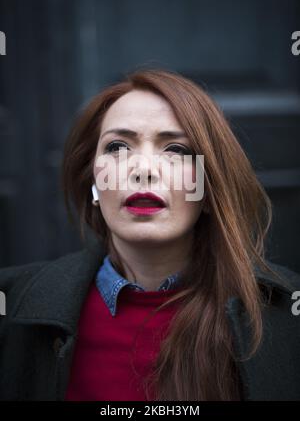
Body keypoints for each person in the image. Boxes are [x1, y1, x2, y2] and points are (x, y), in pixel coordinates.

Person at [0, 69, 300, 401]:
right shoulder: (11, 308)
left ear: (208, 189)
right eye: (117, 146)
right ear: (93, 184)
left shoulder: (287, 317)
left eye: (176, 150)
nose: (143, 170)